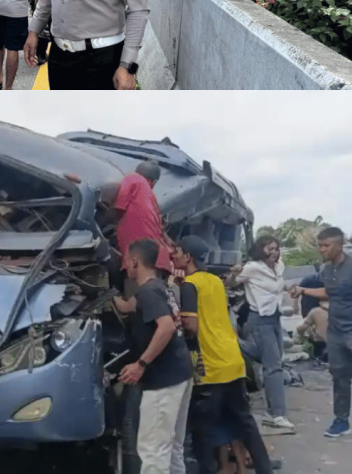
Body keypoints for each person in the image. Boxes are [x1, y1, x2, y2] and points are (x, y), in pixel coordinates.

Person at [173, 236, 274, 474]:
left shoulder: (189, 284)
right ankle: (264, 469)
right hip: (233, 360)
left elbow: (191, 326)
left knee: (203, 432)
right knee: (246, 424)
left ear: (188, 257)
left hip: (209, 366)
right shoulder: (216, 281)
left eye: (177, 251)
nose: (173, 255)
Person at [113, 239, 193, 474]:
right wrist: (104, 295)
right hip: (180, 372)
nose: (125, 266)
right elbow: (127, 307)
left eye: (127, 261)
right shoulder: (157, 287)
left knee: (152, 451)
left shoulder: (148, 292)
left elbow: (166, 327)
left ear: (135, 261)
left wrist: (141, 364)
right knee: (172, 449)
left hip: (163, 379)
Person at [290, 226, 352, 438]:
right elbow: (329, 291)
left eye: (326, 245)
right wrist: (303, 290)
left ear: (339, 245)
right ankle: (341, 421)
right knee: (339, 377)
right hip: (336, 332)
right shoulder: (326, 270)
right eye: (320, 245)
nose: (322, 249)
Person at [226, 235, 293, 430]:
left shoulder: (279, 267)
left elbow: (279, 287)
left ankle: (235, 345)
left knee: (274, 362)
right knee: (273, 368)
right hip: (259, 319)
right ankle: (276, 414)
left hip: (274, 318)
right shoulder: (252, 268)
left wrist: (291, 288)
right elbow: (231, 283)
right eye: (269, 249)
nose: (274, 252)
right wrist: (233, 274)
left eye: (276, 248)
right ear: (259, 250)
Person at [113, 161, 174, 294]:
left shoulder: (133, 178)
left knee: (139, 303)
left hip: (141, 262)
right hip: (158, 259)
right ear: (155, 181)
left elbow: (119, 207)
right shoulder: (151, 197)